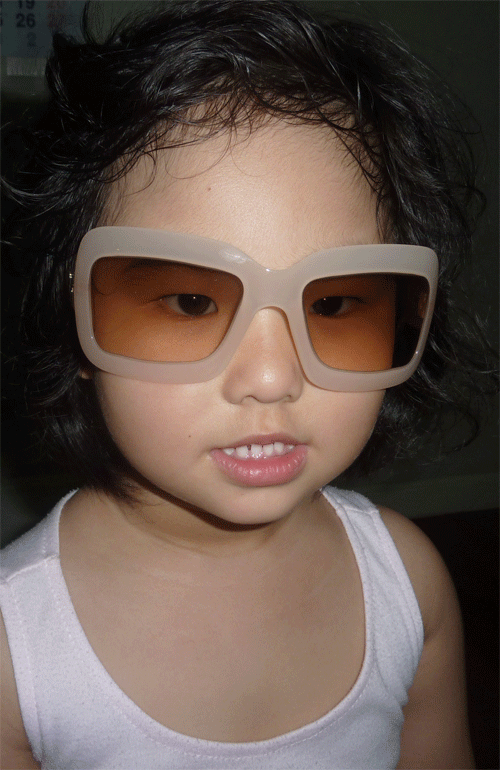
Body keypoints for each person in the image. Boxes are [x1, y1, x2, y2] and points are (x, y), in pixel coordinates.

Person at [1, 1, 494, 767]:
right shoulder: (15, 653)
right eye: (188, 302)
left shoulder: (409, 584)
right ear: (73, 317)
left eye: (335, 305)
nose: (271, 378)